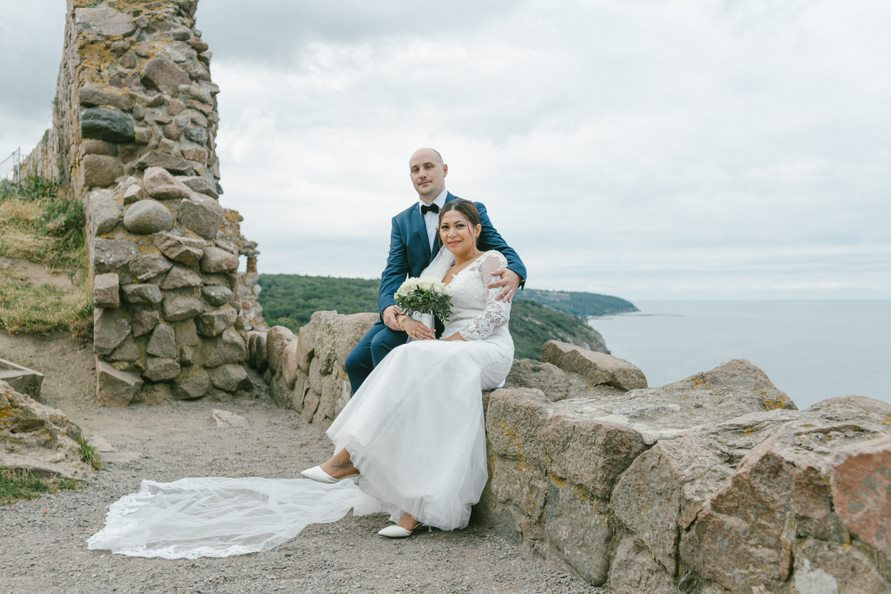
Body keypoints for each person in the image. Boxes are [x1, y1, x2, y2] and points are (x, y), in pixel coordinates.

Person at [301, 198, 515, 537]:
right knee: (410, 375)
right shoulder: (443, 272)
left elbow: (496, 315)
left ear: (476, 229)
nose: (451, 233)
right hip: (453, 351)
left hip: (487, 348)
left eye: (460, 226)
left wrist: (451, 342)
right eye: (445, 227)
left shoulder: (493, 260)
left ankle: (353, 457)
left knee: (412, 357)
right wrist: (410, 321)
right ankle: (411, 507)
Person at [344, 147, 526, 393]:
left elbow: (501, 249)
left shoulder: (470, 210)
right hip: (414, 306)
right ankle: (368, 427)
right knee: (354, 363)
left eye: (429, 167)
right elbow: (394, 271)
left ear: (445, 170)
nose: (422, 174)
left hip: (449, 310)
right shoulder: (401, 221)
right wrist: (390, 308)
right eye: (415, 170)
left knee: (382, 346)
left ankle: (399, 421)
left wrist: (516, 271)